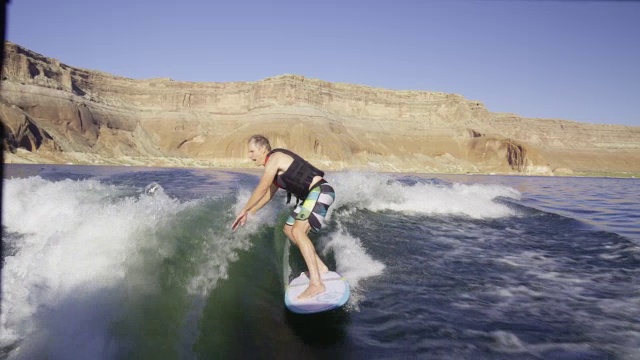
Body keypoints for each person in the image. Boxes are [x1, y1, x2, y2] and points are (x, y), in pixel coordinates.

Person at [231, 135, 336, 300]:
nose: (250, 156)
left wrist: (244, 208)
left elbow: (262, 187)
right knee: (289, 229)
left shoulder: (275, 158)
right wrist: (250, 213)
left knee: (299, 231)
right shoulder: (273, 167)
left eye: (252, 151)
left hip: (320, 191)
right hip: (310, 197)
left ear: (263, 149)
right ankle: (321, 268)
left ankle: (316, 284)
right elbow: (268, 195)